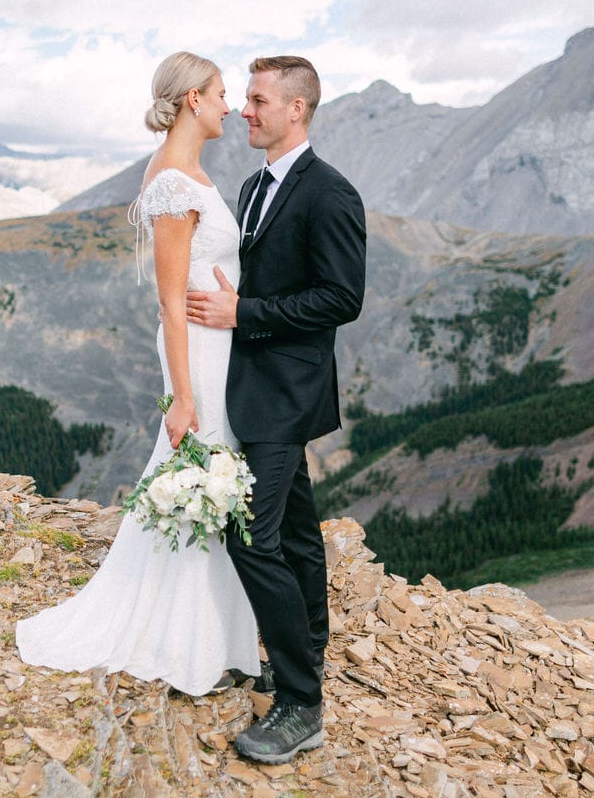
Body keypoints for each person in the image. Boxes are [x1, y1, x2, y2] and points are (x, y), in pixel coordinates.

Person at [15, 51, 261, 695]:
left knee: (211, 480)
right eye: (221, 94)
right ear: (192, 102)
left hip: (218, 345)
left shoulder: (187, 173)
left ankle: (213, 627)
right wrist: (183, 396)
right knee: (204, 474)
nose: (231, 106)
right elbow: (170, 302)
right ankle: (186, 635)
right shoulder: (176, 183)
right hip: (199, 357)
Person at [186, 55, 366, 763]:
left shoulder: (330, 194)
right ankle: (309, 652)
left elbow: (341, 298)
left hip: (287, 395)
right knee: (292, 534)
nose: (244, 112)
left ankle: (301, 704)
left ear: (297, 109)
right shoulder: (254, 184)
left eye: (258, 101)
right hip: (250, 388)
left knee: (249, 539)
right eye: (246, 99)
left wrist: (245, 312)